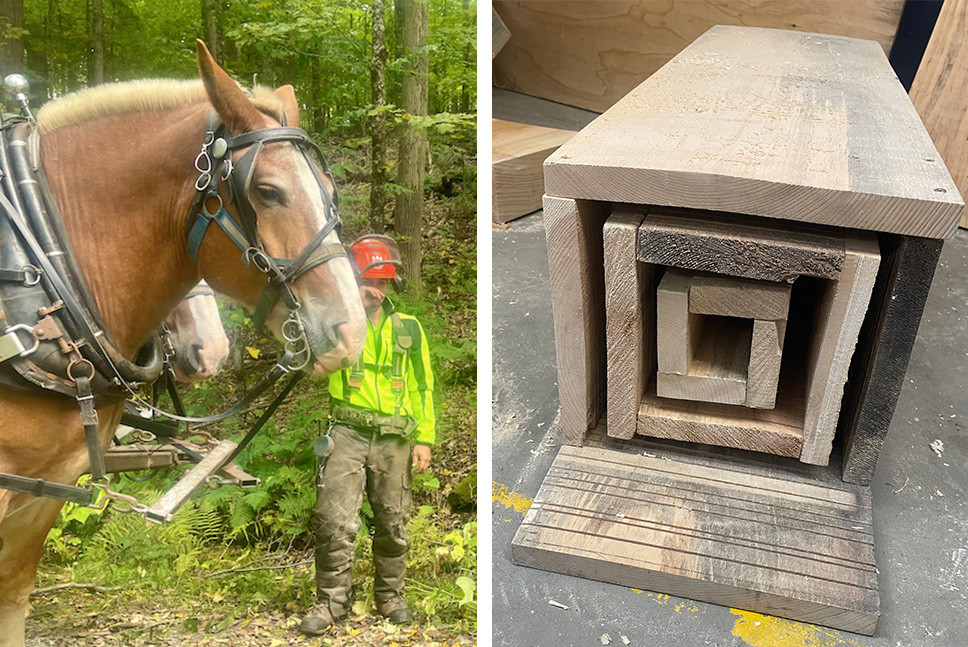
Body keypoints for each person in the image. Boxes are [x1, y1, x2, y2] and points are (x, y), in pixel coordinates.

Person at [300, 234, 435, 636]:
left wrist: (424, 438)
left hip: (395, 439)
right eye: (366, 281)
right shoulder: (333, 325)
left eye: (382, 283)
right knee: (334, 521)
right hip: (347, 434)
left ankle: (390, 596)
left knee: (393, 521)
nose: (373, 291)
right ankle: (330, 602)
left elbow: (423, 387)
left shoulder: (408, 329)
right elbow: (310, 362)